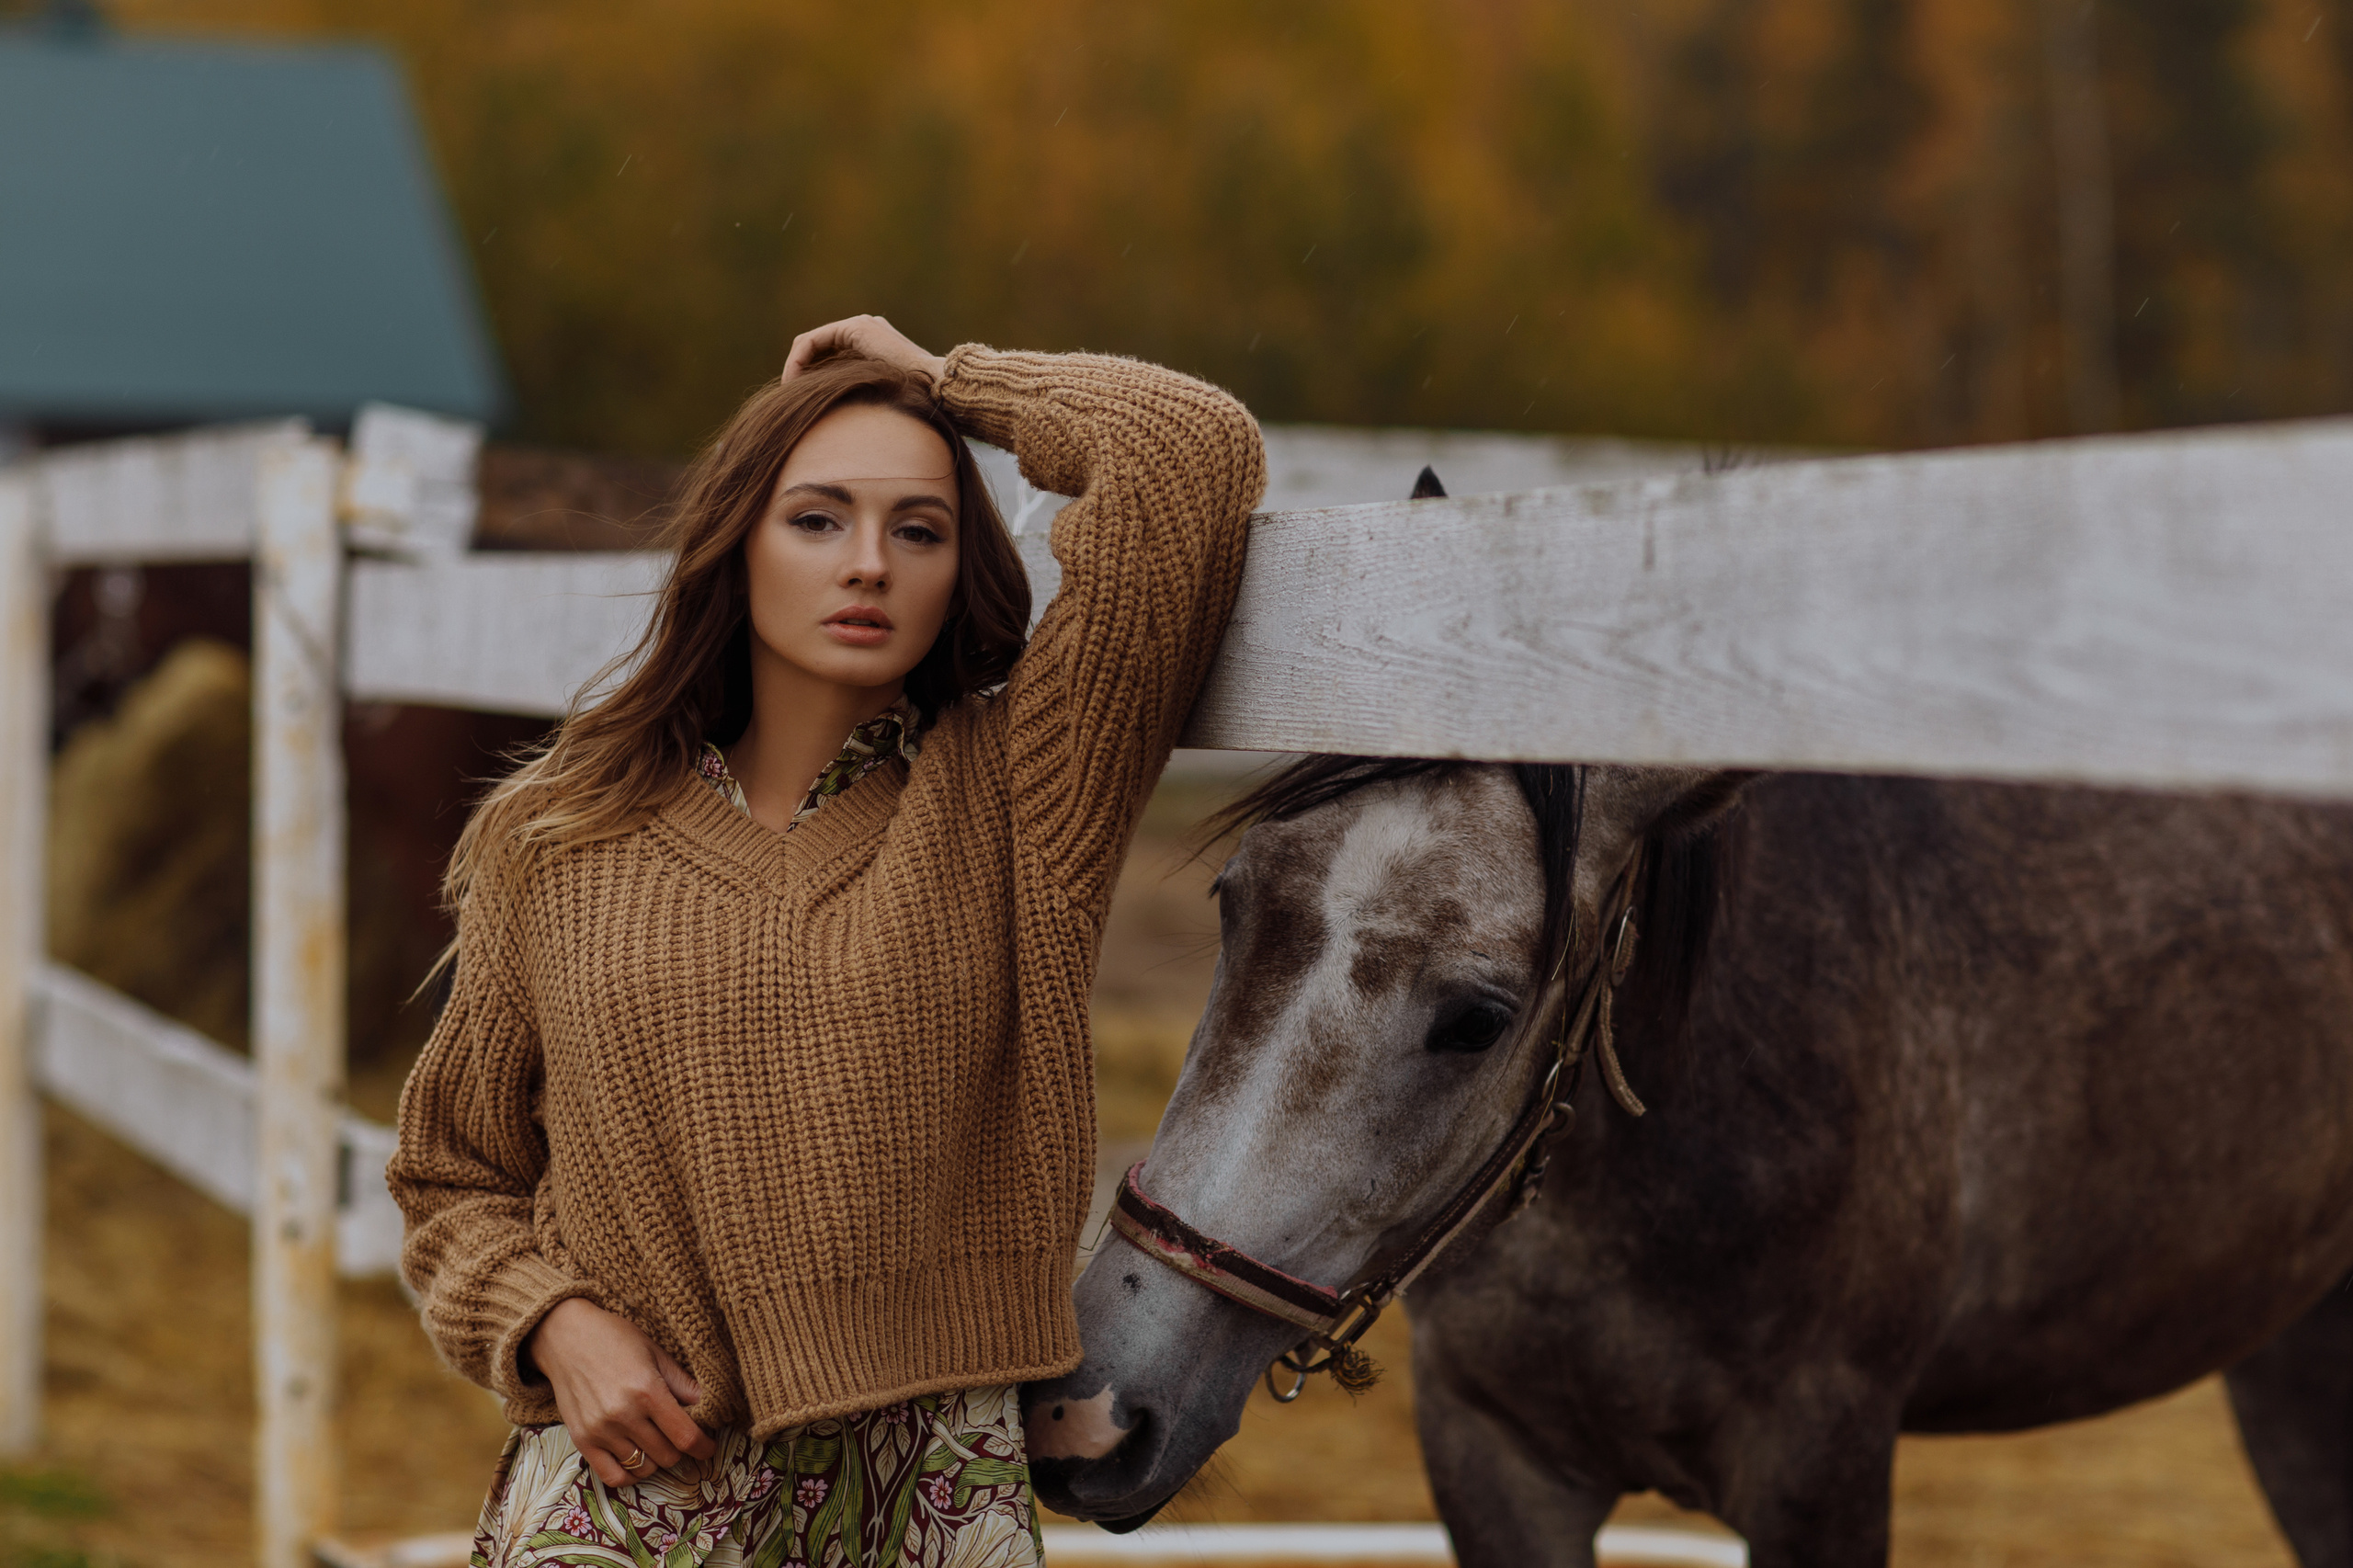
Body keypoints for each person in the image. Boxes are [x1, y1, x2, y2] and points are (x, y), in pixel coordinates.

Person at [388, 316, 1266, 1568]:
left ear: (959, 568)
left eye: (918, 529)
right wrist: (553, 1321)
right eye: (816, 519)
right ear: (735, 543)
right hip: (642, 1488)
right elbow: (450, 1177)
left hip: (925, 1498)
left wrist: (941, 377)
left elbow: (1190, 454)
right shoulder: (558, 837)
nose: (869, 564)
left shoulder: (1025, 794)